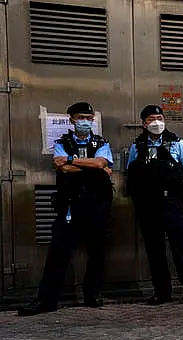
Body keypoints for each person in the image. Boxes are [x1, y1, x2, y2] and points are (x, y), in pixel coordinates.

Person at [18, 102, 113, 316]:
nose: (85, 122)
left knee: (96, 251)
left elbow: (99, 163)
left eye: (89, 118)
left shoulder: (101, 142)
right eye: (81, 117)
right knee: (58, 251)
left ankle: (93, 295)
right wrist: (91, 166)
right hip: (70, 204)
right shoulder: (62, 142)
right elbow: (63, 168)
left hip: (97, 203)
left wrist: (72, 161)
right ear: (71, 119)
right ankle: (47, 300)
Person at [126, 105, 183, 306]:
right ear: (143, 123)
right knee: (155, 250)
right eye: (151, 119)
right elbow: (131, 173)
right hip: (148, 205)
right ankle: (161, 292)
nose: (156, 122)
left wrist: (177, 190)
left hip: (171, 202)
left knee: (181, 248)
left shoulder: (176, 143)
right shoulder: (137, 146)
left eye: (159, 117)